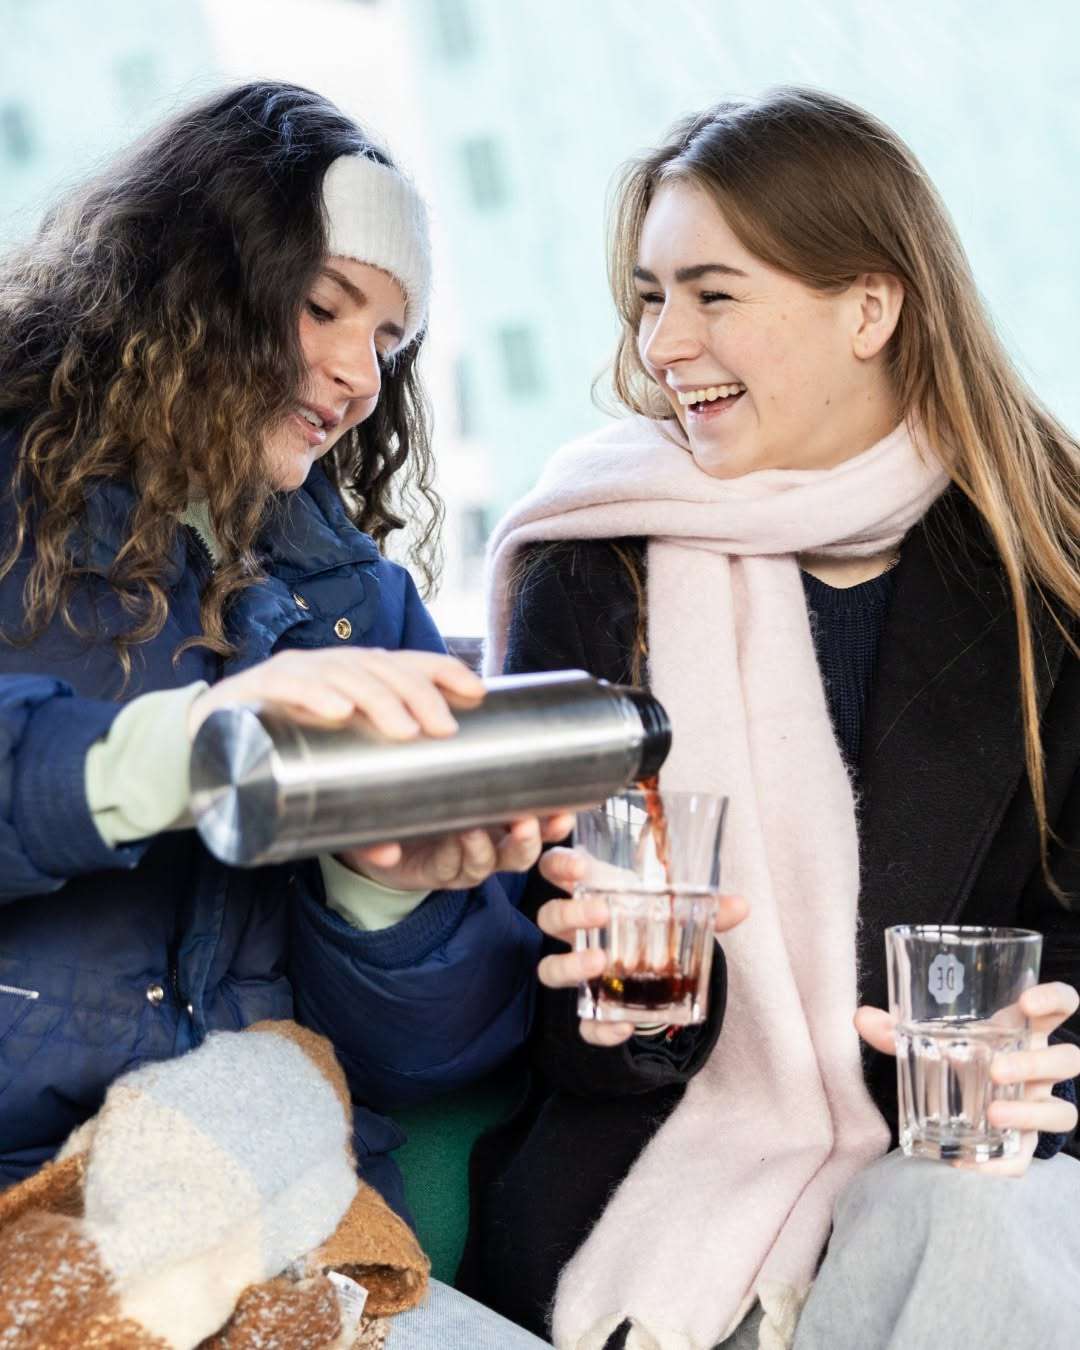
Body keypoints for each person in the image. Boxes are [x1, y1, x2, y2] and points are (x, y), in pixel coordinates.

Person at [461, 87, 1080, 1350]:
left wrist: (1041, 1049)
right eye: (650, 296)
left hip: (961, 1184)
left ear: (870, 308)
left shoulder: (1048, 581)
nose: (665, 343)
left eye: (714, 293)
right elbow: (545, 998)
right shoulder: (597, 565)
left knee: (976, 1227)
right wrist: (620, 1016)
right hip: (648, 1190)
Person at [0, 80, 561, 1347]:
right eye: (324, 310)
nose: (363, 375)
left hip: (264, 1214)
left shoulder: (361, 602)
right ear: (197, 283)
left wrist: (389, 897)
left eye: (393, 342)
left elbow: (431, 1062)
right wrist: (194, 757)